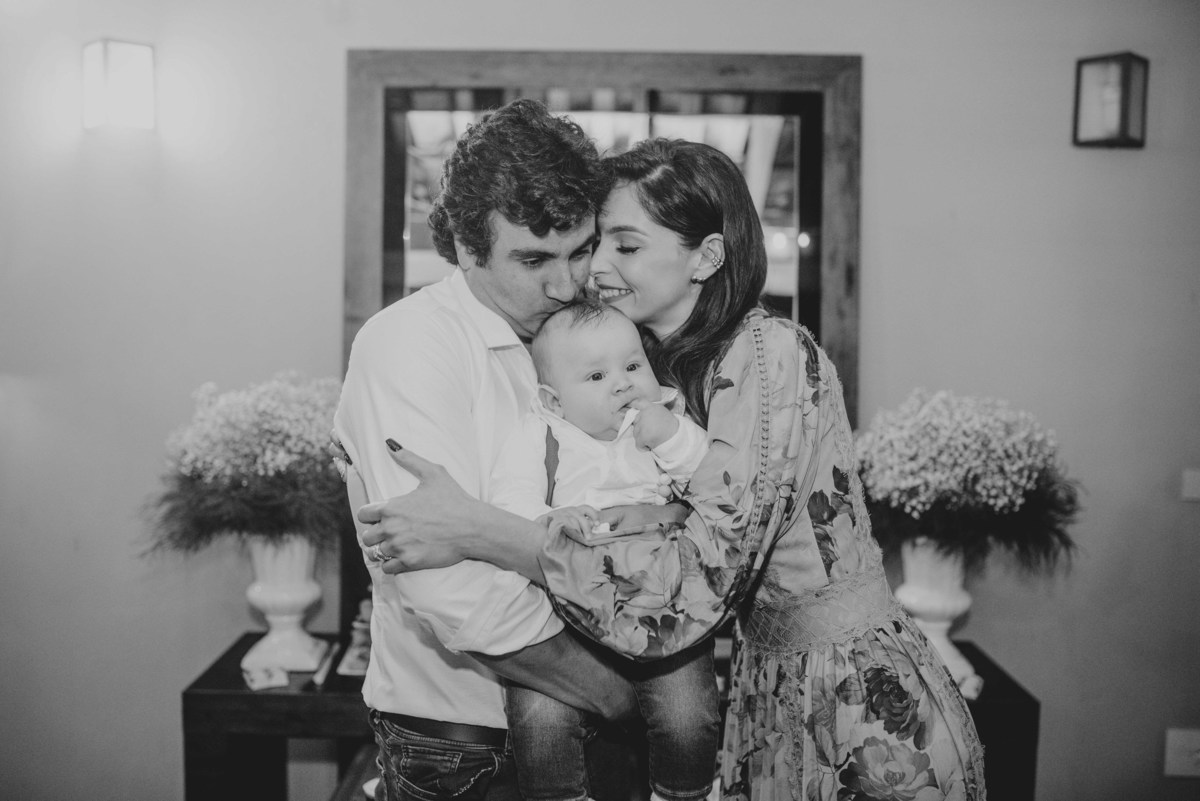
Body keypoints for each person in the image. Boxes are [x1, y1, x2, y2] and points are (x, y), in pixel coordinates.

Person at [358, 137, 988, 801]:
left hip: (849, 689)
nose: (593, 269)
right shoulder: (659, 364)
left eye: (623, 246)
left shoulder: (770, 355)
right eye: (598, 244)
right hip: (765, 684)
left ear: (707, 257)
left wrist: (481, 531)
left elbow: (701, 577)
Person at [332, 99, 641, 801]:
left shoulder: (585, 338)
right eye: (533, 259)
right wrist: (620, 695)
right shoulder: (410, 343)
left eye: (579, 250)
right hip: (470, 749)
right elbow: (452, 589)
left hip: (587, 732)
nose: (566, 284)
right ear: (467, 248)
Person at [492, 299, 720, 801]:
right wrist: (548, 518)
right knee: (540, 719)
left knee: (688, 716)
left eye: (633, 366)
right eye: (596, 376)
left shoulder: (663, 421)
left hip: (661, 598)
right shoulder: (542, 434)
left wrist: (672, 438)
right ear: (553, 401)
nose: (622, 384)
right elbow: (508, 502)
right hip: (567, 606)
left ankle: (682, 792)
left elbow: (713, 483)